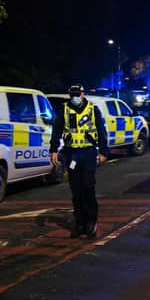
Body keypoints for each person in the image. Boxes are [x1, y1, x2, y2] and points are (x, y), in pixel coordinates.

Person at [50, 84, 108, 238]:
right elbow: (57, 130)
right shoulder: (64, 109)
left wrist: (103, 151)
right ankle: (79, 223)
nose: (74, 97)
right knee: (76, 190)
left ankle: (91, 222)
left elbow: (101, 130)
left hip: (88, 152)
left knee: (88, 187)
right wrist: (53, 150)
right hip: (72, 153)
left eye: (77, 94)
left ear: (83, 94)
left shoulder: (93, 109)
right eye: (72, 95)